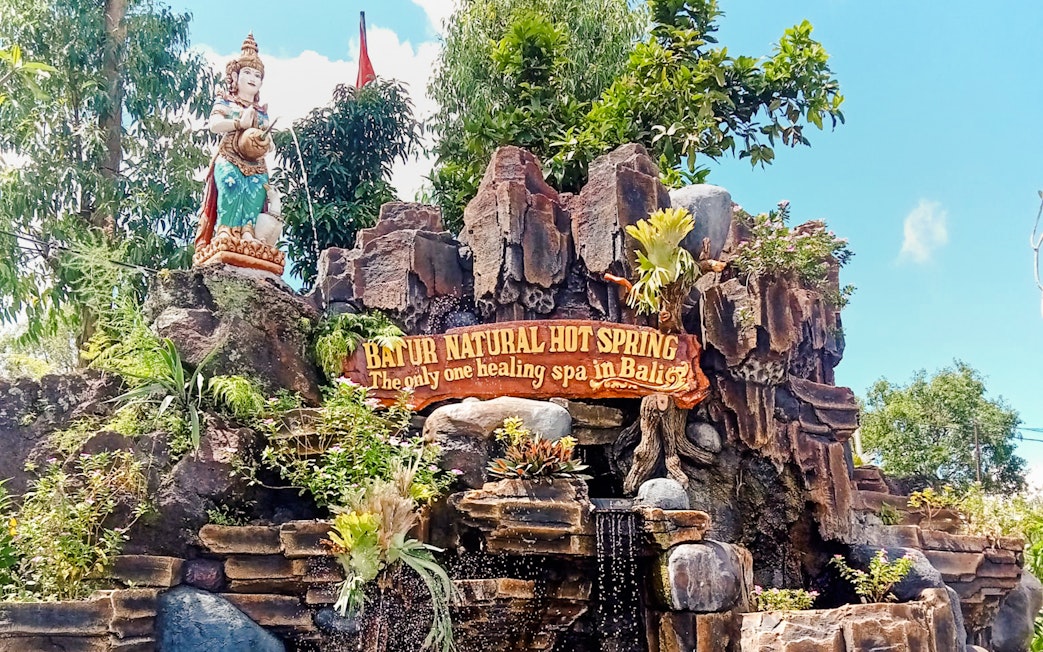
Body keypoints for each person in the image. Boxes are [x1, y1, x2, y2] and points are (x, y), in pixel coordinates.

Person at [195, 33, 278, 250]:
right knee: (231, 185)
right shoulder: (227, 101)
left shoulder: (262, 112)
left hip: (256, 162)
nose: (253, 78)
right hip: (229, 155)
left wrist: (267, 141)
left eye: (258, 75)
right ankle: (226, 231)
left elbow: (271, 145)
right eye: (248, 72)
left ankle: (248, 234)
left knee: (257, 190)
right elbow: (214, 125)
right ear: (236, 76)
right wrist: (238, 123)